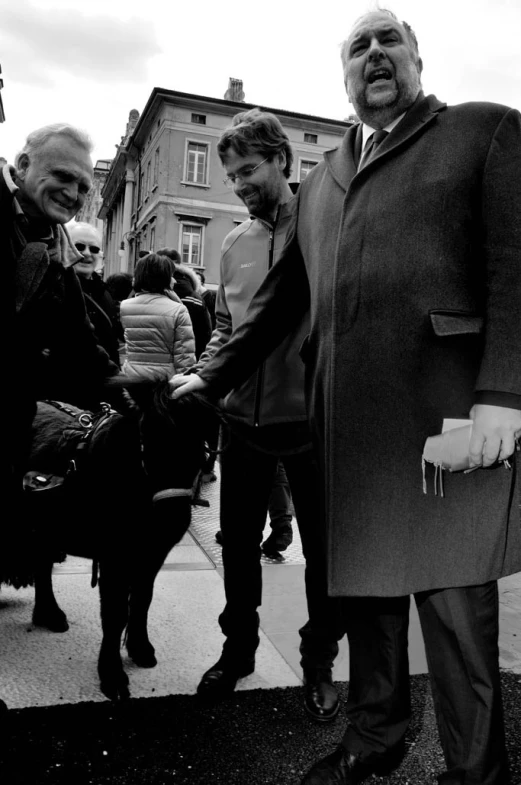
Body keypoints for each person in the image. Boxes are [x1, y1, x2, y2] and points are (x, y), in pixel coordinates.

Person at [171, 11, 521, 785]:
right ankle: (376, 735)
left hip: (451, 416)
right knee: (367, 594)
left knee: (455, 608)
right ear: (343, 76)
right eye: (356, 45)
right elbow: (279, 301)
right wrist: (210, 374)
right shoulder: (325, 178)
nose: (373, 53)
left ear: (417, 57)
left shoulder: (483, 132)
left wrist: (503, 392)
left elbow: (513, 264)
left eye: (386, 38)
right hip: (351, 428)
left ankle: (476, 770)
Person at [171, 108, 344, 721]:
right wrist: (204, 376)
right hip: (240, 420)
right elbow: (226, 326)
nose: (241, 185)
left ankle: (318, 661)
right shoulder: (234, 242)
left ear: (283, 162)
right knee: (237, 542)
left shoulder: (325, 228)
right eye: (232, 176)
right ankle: (238, 647)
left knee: (322, 554)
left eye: (250, 170)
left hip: (310, 420)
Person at [3, 123, 120, 710]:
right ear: (24, 165)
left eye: (82, 184)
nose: (73, 192)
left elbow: (80, 341)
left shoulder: (51, 242)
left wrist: (130, 387)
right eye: (61, 176)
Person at [120, 252, 195, 383]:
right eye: (171, 276)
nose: (175, 280)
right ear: (163, 278)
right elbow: (184, 358)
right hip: (165, 381)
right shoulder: (178, 310)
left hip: (132, 377)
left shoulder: (125, 306)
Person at [67, 221, 122, 366]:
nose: (86, 253)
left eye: (94, 249)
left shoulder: (105, 293)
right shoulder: (52, 289)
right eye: (79, 246)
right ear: (65, 247)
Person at [156, 248, 212, 359]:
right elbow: (205, 335)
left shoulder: (148, 294)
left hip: (150, 365)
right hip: (187, 364)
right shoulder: (196, 299)